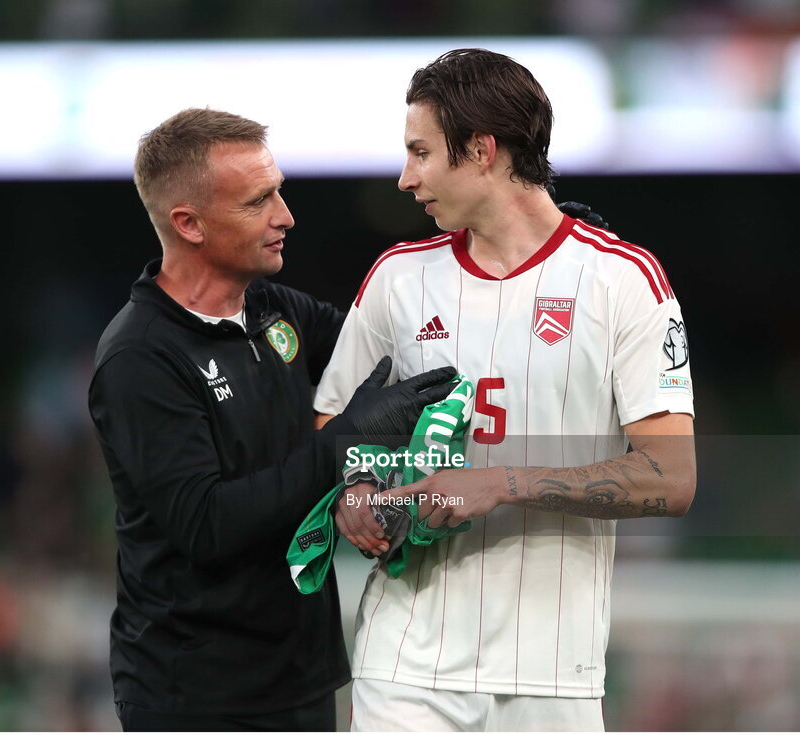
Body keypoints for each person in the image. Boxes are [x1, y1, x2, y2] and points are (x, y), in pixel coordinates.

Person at [315, 49, 697, 731]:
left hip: (554, 674)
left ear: (482, 150)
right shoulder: (398, 279)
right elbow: (329, 433)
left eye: (421, 152)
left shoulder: (622, 280)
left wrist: (498, 484)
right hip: (405, 668)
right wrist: (356, 494)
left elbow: (671, 476)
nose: (406, 179)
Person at [87, 108, 459, 731]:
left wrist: (520, 245)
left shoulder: (272, 309)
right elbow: (207, 524)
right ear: (189, 224)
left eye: (278, 191)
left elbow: (404, 349)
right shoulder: (138, 359)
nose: (285, 215)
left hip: (300, 674)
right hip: (196, 695)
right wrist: (349, 441)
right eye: (259, 201)